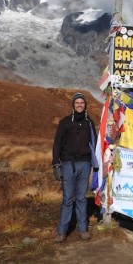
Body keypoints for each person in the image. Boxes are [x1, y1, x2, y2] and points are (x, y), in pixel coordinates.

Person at [52, 92, 98, 243]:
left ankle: (83, 229)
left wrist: (95, 163)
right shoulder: (65, 122)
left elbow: (95, 143)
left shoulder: (89, 123)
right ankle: (62, 232)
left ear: (85, 105)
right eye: (77, 103)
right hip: (67, 164)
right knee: (67, 199)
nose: (80, 105)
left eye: (82, 103)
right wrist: (55, 162)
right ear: (73, 105)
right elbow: (57, 143)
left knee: (81, 198)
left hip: (85, 165)